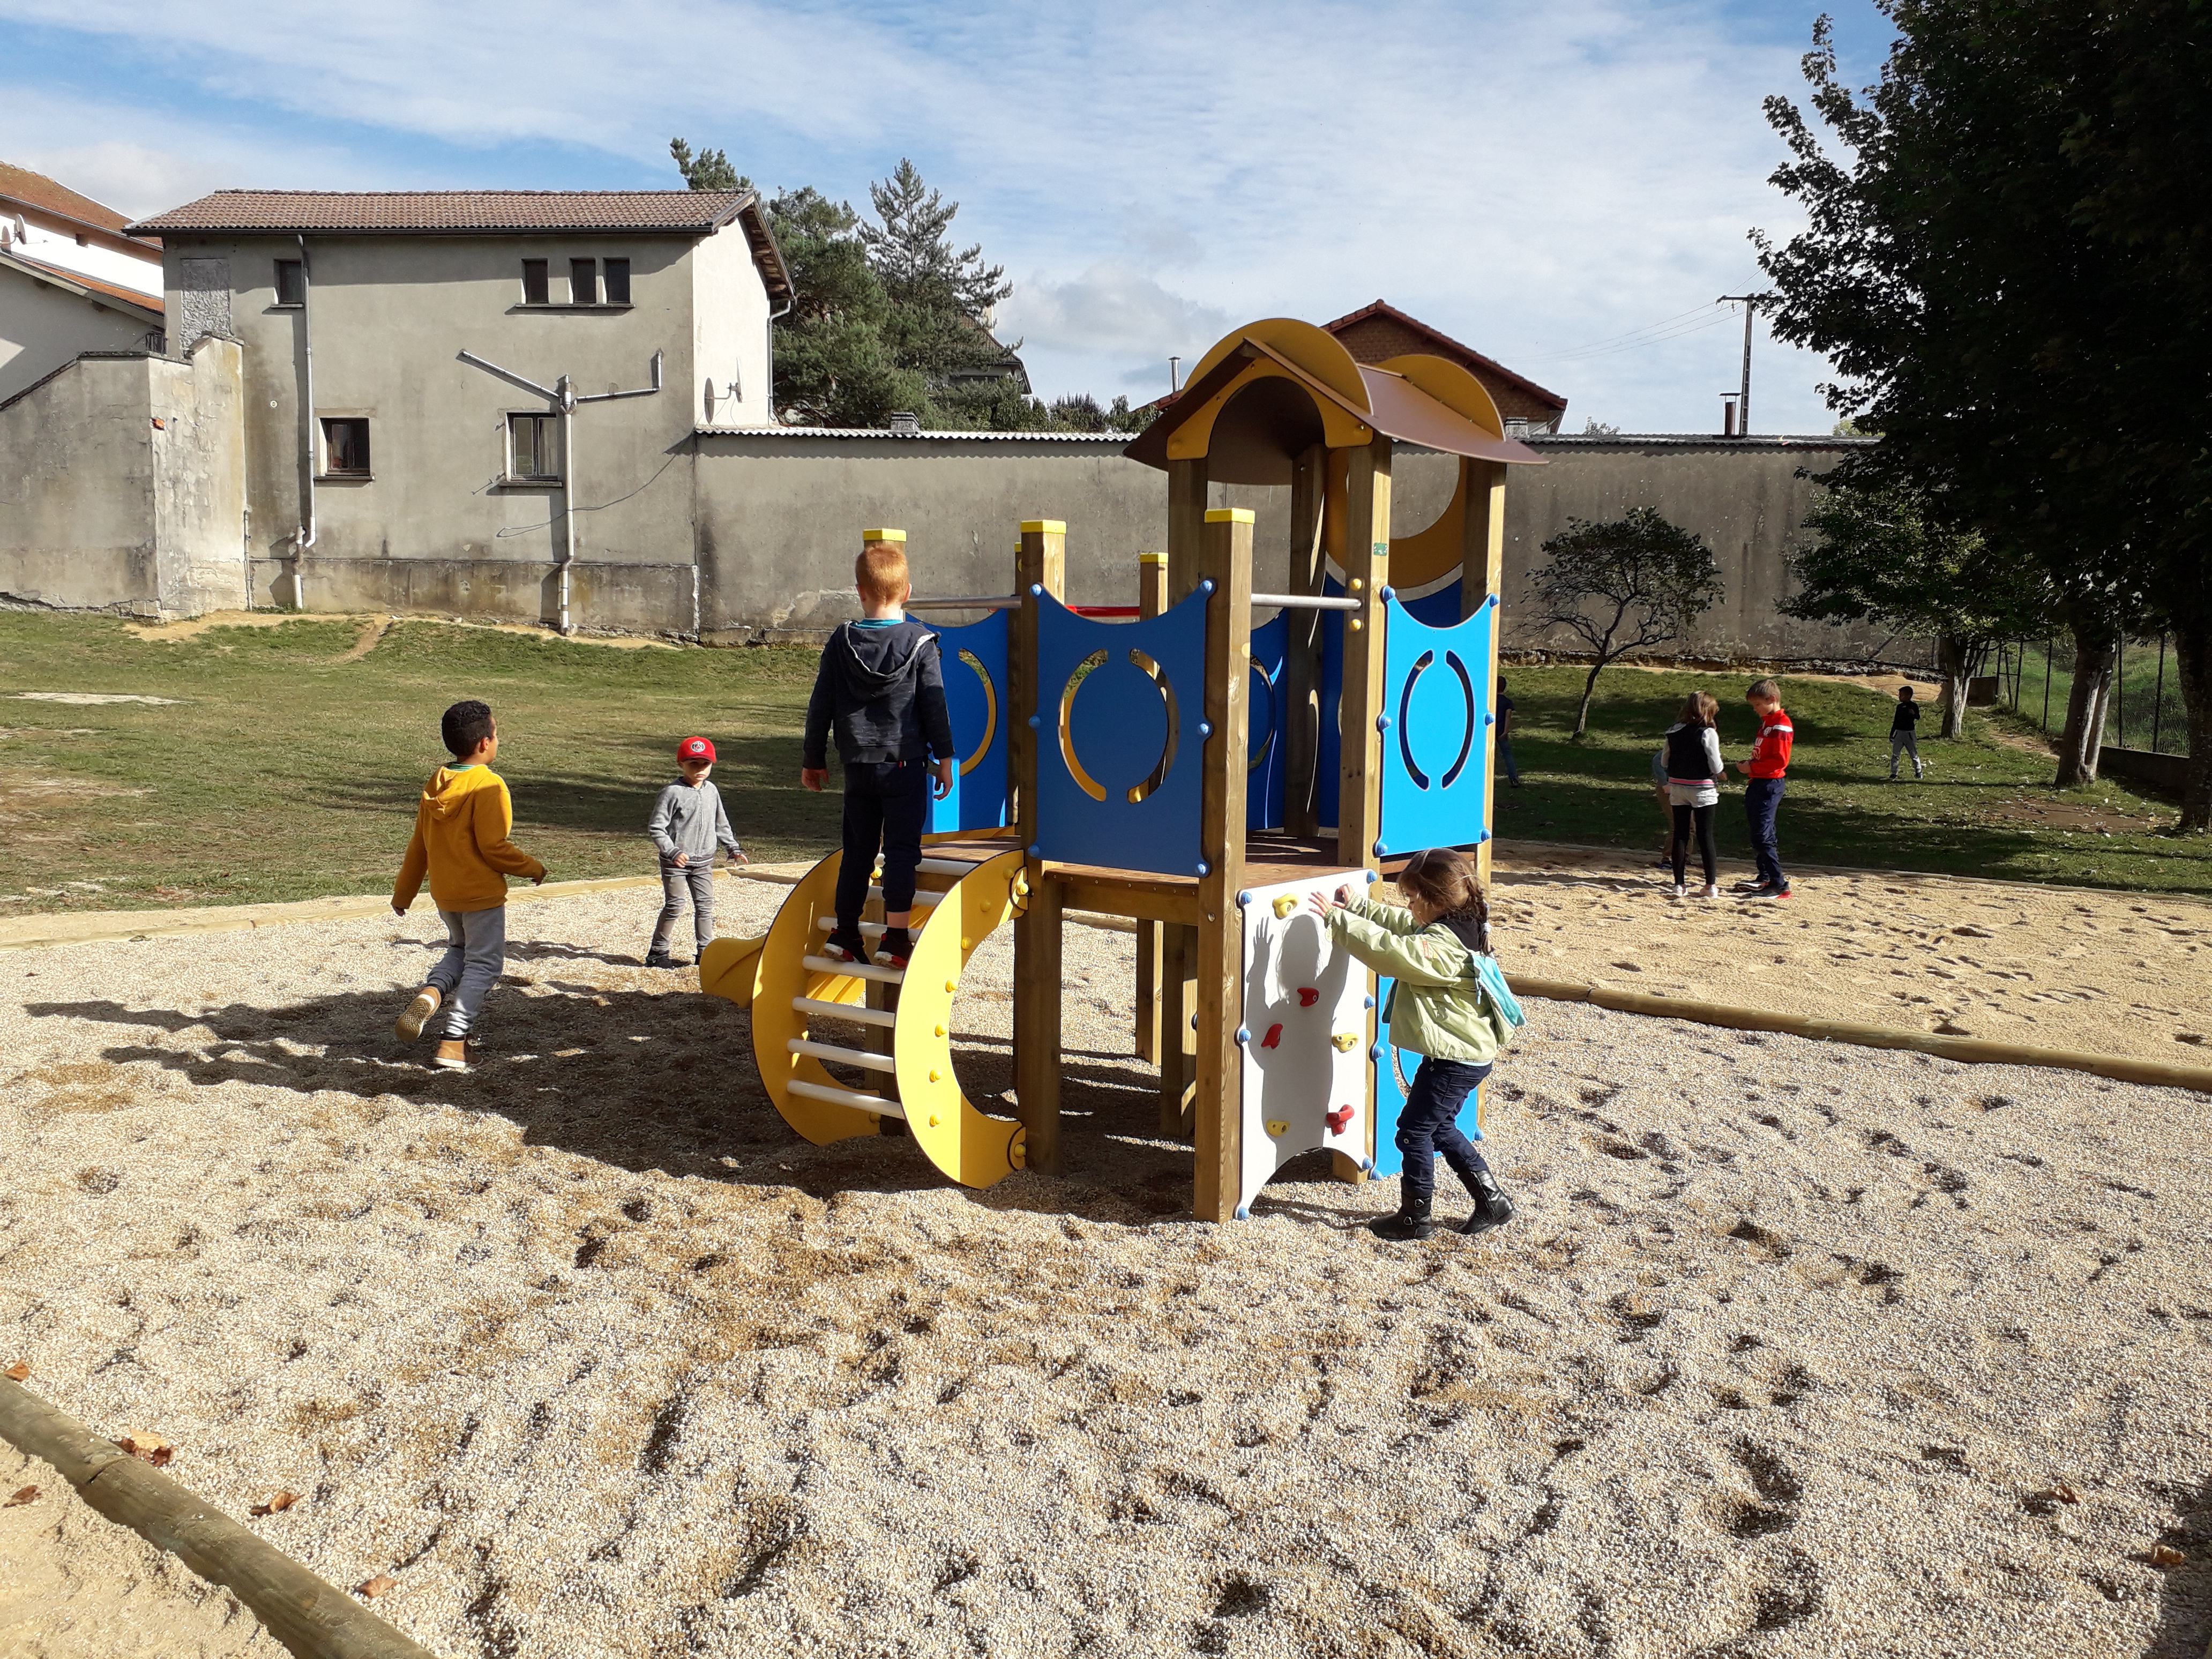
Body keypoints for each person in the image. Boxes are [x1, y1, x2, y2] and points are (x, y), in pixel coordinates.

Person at [1311, 848, 1523, 1242]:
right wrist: (1358, 906)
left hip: (1458, 1059)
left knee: (1412, 1131)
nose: (1408, 907)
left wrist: (1337, 920)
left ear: (1434, 900)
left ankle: (1414, 1218)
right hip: (1461, 1054)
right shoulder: (1457, 923)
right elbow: (1405, 928)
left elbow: (1395, 953)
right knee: (1439, 1128)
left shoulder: (1444, 947)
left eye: (1412, 899)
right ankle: (1493, 1203)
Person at [802, 534, 956, 969]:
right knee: (903, 850)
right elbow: (933, 702)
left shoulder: (841, 640)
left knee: (858, 850)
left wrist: (813, 759)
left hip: (858, 766)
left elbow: (822, 704)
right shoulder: (922, 642)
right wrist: (945, 758)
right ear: (907, 592)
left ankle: (846, 932)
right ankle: (894, 937)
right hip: (904, 765)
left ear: (860, 592)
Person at [391, 700, 545, 1072]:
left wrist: (404, 894)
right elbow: (494, 847)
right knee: (486, 965)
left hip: (446, 893)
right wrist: (532, 867)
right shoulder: (488, 786)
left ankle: (433, 992)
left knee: (459, 950)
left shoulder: (436, 782)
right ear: (484, 744)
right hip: (480, 895)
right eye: (497, 733)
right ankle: (454, 1042)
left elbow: (419, 846)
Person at [644, 736, 748, 969]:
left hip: (704, 863)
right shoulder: (672, 792)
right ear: (681, 764)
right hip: (676, 863)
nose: (700, 769)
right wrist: (672, 851)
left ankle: (705, 954)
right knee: (675, 905)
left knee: (705, 906)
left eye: (705, 764)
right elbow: (656, 827)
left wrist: (733, 848)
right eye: (693, 764)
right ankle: (657, 953)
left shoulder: (712, 791)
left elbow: (721, 823)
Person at [1729, 678, 1795, 899]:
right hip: (1758, 780)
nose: (1756, 710)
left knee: (1762, 835)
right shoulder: (1767, 723)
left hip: (1769, 782)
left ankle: (1779, 883)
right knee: (1761, 830)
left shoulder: (1780, 725)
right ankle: (1765, 876)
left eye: (1758, 705)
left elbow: (1779, 761)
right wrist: (1751, 765)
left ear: (1772, 700)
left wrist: (1751, 767)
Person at [1663, 691, 1725, 899]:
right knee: (1705, 835)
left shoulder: (1673, 731)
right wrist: (1720, 772)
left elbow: (1664, 761)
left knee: (1680, 834)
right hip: (1702, 788)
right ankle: (1710, 885)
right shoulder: (1708, 733)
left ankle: (1679, 884)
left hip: (1678, 786)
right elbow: (1715, 764)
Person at [1888, 684, 1925, 780]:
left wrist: (1913, 714)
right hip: (1899, 733)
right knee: (1895, 754)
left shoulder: (1913, 706)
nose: (1899, 697)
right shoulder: (1899, 707)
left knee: (1913, 754)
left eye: (1901, 695)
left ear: (1908, 696)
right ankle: (1894, 773)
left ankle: (1918, 771)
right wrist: (1892, 733)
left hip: (1909, 733)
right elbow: (1896, 720)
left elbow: (1918, 717)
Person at [1494, 676, 1521, 788]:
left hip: (1490, 730)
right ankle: (1513, 778)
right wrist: (1505, 731)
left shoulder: (1489, 701)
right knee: (1507, 754)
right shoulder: (1507, 702)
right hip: (1501, 730)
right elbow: (1508, 716)